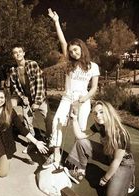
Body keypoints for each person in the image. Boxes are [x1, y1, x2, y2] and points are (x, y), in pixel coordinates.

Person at [43, 9, 100, 168]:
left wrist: (82, 100)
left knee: (79, 131)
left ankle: (78, 162)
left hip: (83, 101)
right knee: (56, 123)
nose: (73, 53)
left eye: (76, 50)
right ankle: (55, 156)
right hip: (67, 99)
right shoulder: (69, 63)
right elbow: (62, 42)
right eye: (71, 51)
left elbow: (94, 88)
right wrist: (56, 22)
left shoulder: (92, 66)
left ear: (82, 48)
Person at [63, 100, 135, 196]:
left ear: (109, 112)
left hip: (123, 163)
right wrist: (74, 120)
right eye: (95, 113)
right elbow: (80, 135)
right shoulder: (99, 126)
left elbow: (117, 161)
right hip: (108, 154)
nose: (98, 115)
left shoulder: (120, 134)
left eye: (101, 112)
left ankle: (128, 180)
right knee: (81, 142)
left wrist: (105, 178)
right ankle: (80, 172)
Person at [9, 45, 51, 154]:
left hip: (39, 97)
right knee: (28, 122)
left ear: (24, 53)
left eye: (19, 51)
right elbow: (16, 87)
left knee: (48, 119)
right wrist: (23, 97)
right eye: (15, 52)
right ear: (13, 55)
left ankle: (50, 141)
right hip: (26, 99)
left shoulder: (32, 64)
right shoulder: (13, 70)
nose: (17, 54)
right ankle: (32, 143)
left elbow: (40, 83)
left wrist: (37, 102)